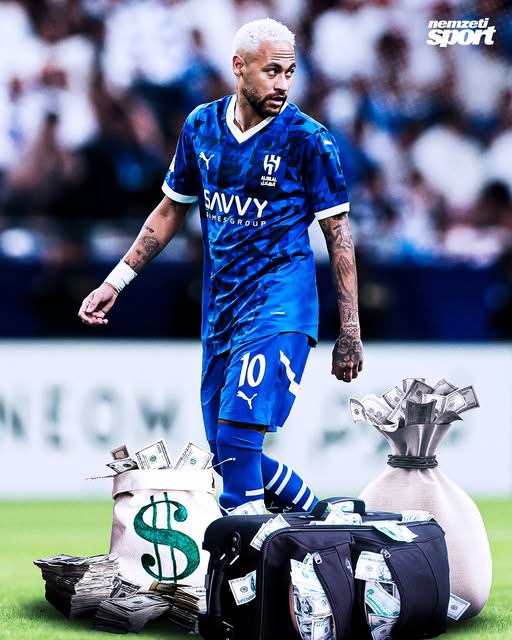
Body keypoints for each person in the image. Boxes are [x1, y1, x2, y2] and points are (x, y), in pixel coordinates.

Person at [78, 18, 363, 514]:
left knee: (235, 442)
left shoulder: (308, 140)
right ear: (239, 66)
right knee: (226, 454)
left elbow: (338, 237)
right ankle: (324, 520)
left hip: (279, 305)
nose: (282, 84)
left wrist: (350, 329)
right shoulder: (201, 127)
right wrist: (115, 281)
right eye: (271, 71)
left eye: (289, 73)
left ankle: (243, 558)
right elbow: (171, 210)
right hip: (223, 312)